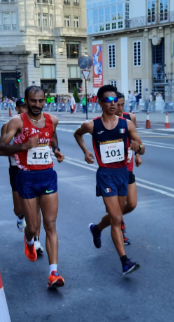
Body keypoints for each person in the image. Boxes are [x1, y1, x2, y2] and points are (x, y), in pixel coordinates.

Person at [0, 86, 65, 288]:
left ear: (45, 100)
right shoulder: (17, 122)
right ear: (26, 101)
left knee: (50, 225)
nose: (37, 105)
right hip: (26, 177)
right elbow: (1, 148)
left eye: (41, 101)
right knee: (33, 228)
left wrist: (57, 150)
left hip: (48, 176)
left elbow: (52, 137)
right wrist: (24, 146)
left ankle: (53, 273)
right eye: (33, 101)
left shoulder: (53, 120)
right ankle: (28, 240)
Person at [74, 85, 145, 276]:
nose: (113, 105)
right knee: (116, 218)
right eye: (109, 101)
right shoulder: (92, 125)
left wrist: (139, 149)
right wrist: (86, 151)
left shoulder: (127, 124)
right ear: (100, 102)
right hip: (106, 174)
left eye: (116, 101)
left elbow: (140, 145)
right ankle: (124, 261)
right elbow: (77, 134)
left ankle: (97, 229)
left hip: (123, 172)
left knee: (119, 213)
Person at [0, 98, 44, 257]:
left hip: (34, 170)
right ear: (17, 109)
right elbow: (2, 150)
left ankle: (36, 240)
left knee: (36, 206)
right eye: (23, 107)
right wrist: (22, 147)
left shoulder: (37, 124)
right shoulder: (8, 126)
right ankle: (20, 217)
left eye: (28, 107)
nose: (26, 110)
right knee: (19, 209)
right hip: (16, 170)